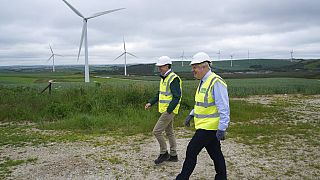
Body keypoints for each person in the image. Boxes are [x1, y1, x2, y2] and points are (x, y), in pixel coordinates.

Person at [176, 52, 230, 180]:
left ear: (204, 67)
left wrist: (222, 127)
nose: (192, 70)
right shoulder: (203, 82)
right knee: (216, 153)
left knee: (191, 151)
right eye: (193, 67)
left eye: (195, 67)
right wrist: (191, 115)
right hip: (204, 126)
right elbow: (202, 104)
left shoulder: (216, 82)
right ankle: (221, 177)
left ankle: (182, 178)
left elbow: (224, 107)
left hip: (209, 127)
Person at [145, 56, 182, 165]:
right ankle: (174, 155)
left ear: (167, 66)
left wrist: (169, 110)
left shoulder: (173, 78)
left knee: (156, 131)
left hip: (169, 111)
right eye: (158, 66)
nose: (159, 68)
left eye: (161, 66)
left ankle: (164, 153)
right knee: (169, 132)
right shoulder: (164, 78)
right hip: (165, 110)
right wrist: (150, 102)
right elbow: (159, 94)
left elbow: (177, 96)